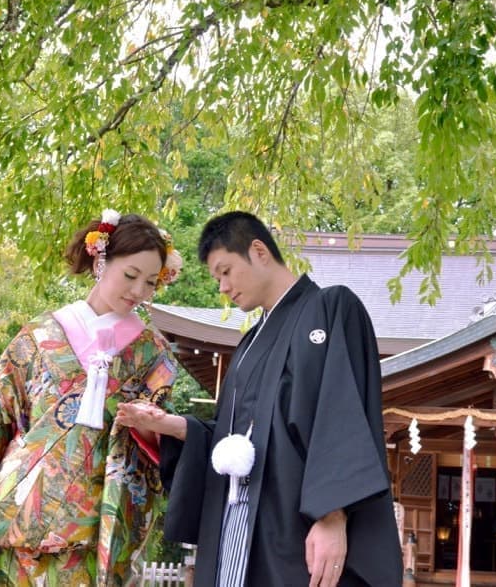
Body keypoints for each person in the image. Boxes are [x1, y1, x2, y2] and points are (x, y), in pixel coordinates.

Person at [116, 211, 402, 587]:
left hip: (295, 527)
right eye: (217, 277)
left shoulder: (331, 308)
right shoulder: (249, 344)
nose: (222, 286)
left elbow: (343, 413)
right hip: (238, 528)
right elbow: (236, 438)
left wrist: (333, 515)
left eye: (225, 270)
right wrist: (175, 427)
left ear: (258, 250)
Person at [0, 210, 183, 586]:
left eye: (150, 282)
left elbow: (158, 443)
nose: (138, 291)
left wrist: (151, 427)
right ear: (100, 260)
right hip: (13, 524)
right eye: (130, 275)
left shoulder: (153, 354)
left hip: (94, 536)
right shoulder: (37, 337)